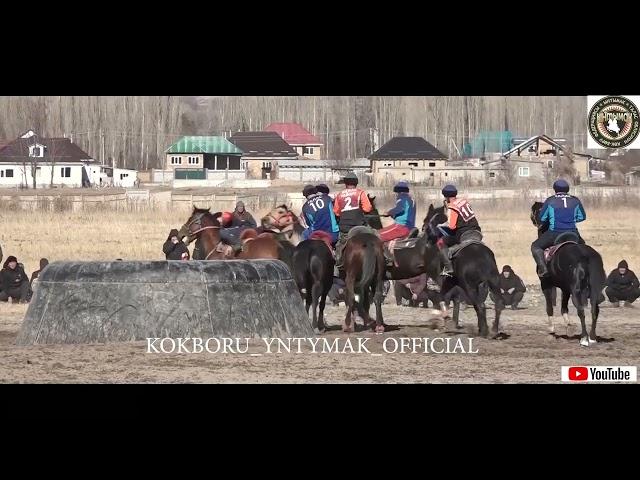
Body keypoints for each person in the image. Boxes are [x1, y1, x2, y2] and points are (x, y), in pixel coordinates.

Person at [531, 179, 586, 278]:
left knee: (535, 247)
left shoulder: (550, 200)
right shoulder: (575, 200)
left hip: (555, 232)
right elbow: (582, 217)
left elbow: (542, 218)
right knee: (584, 248)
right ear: (567, 189)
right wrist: (570, 219)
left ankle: (544, 270)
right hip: (573, 233)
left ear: (555, 189)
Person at [332, 172, 373, 275]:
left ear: (345, 183)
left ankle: (339, 262)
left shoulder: (339, 195)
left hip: (345, 228)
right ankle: (386, 258)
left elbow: (336, 212)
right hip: (359, 225)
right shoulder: (360, 193)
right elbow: (367, 208)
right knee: (375, 235)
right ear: (356, 183)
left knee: (340, 245)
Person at [436, 184, 481, 277]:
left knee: (440, 242)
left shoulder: (453, 207)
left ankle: (448, 268)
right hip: (477, 232)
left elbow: (452, 226)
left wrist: (440, 225)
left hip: (464, 234)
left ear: (447, 197)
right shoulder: (464, 202)